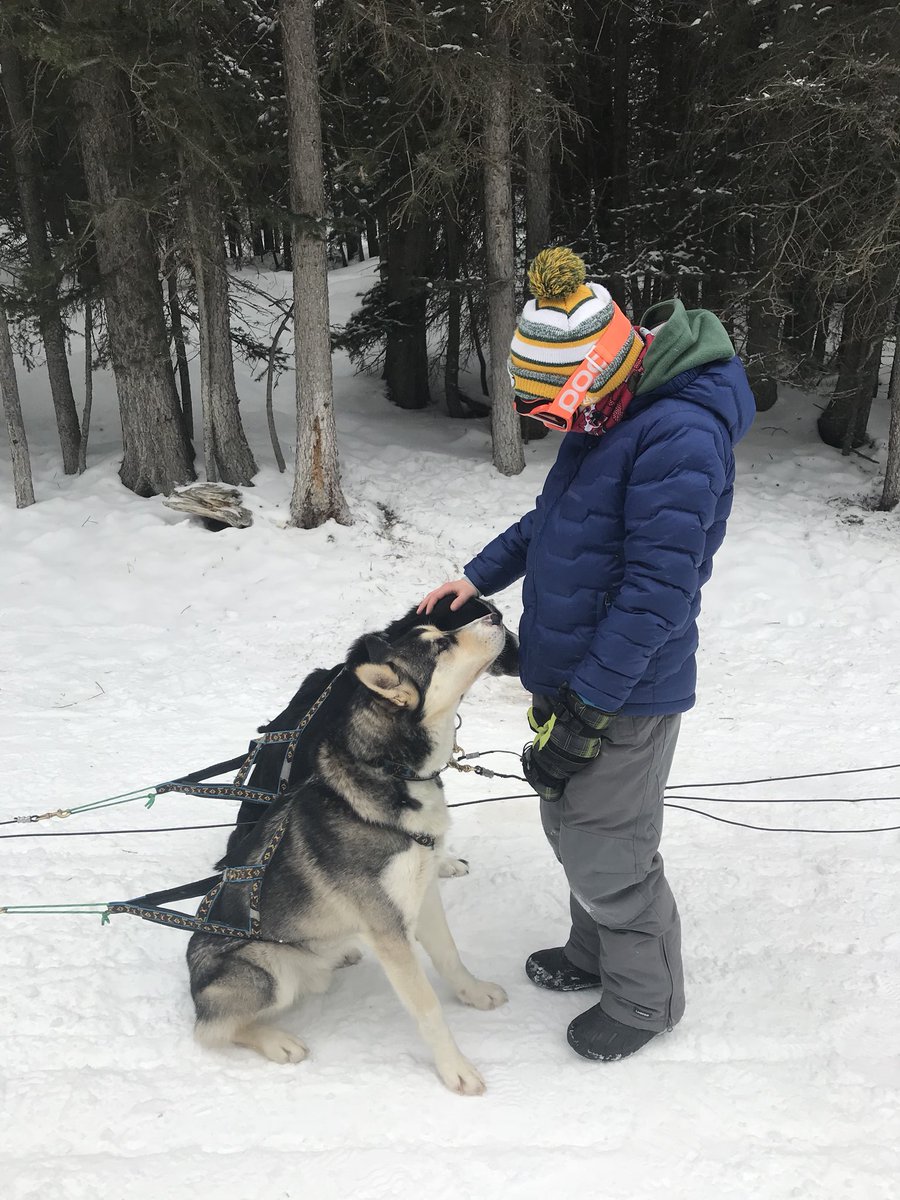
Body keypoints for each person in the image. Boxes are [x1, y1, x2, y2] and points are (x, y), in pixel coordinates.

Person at [419, 247, 755, 1062]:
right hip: (575, 679)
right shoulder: (610, 415)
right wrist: (477, 578)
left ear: (590, 379)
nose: (547, 427)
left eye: (551, 411)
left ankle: (646, 1001)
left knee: (610, 848)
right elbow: (551, 524)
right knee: (571, 827)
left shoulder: (677, 436)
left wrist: (590, 709)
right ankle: (593, 952)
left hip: (627, 692)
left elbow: (656, 596)